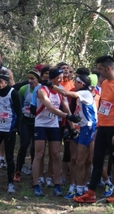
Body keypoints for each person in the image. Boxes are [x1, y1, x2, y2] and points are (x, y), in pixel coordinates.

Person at [73, 56, 114, 204]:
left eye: (100, 69)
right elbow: (103, 106)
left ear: (108, 68)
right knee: (96, 160)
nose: (98, 71)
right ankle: (90, 193)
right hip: (102, 127)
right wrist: (98, 126)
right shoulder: (105, 83)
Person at [31, 67, 77, 197]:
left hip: (53, 125)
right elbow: (50, 107)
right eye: (59, 77)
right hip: (40, 125)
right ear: (53, 77)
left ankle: (57, 184)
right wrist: (67, 117)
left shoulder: (60, 91)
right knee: (39, 154)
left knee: (56, 154)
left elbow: (67, 108)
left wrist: (72, 126)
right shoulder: (42, 90)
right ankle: (36, 184)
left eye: (62, 77)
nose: (62, 79)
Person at [63, 75, 97, 198]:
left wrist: (51, 86)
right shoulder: (82, 94)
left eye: (76, 82)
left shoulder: (85, 93)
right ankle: (78, 188)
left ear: (82, 84)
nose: (74, 85)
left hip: (88, 128)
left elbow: (66, 93)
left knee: (83, 160)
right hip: (82, 128)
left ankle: (81, 189)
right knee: (78, 160)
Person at [14, 69, 40, 182]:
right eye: (28, 78)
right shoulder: (23, 89)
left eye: (32, 79)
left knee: (35, 148)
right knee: (24, 145)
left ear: (37, 80)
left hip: (37, 122)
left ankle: (34, 172)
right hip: (25, 120)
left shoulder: (42, 89)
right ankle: (18, 170)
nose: (29, 81)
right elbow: (18, 106)